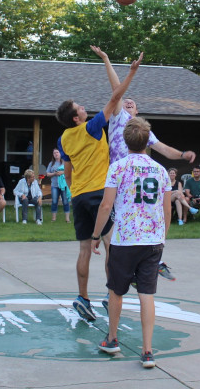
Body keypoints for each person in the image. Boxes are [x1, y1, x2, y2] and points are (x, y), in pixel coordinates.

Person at [92, 45, 195, 281]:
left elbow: (163, 149)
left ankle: (151, 261)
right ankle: (125, 278)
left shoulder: (142, 131)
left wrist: (182, 154)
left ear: (138, 111)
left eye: (132, 102)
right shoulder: (119, 117)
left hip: (134, 182)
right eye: (125, 100)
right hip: (118, 179)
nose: (128, 102)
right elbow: (116, 90)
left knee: (135, 229)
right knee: (115, 240)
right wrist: (107, 59)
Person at [55, 50, 142, 322]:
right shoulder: (91, 127)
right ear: (76, 118)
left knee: (83, 249)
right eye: (79, 107)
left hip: (78, 196)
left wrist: (73, 189)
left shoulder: (64, 140)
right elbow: (116, 97)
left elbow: (68, 173)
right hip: (97, 194)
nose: (83, 107)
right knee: (109, 244)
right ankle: (109, 295)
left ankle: (82, 298)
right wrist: (131, 72)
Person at [91, 117, 171, 369]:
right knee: (147, 294)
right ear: (148, 142)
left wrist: (96, 236)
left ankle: (112, 338)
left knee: (116, 290)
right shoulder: (160, 171)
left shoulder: (117, 167)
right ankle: (147, 351)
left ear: (125, 142)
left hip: (125, 239)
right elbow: (166, 208)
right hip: (152, 240)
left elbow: (106, 205)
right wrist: (163, 235)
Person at [46, 149, 70, 223]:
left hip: (64, 185)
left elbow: (70, 171)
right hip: (54, 185)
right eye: (54, 153)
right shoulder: (51, 163)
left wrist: (62, 172)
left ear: (60, 153)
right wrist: (54, 174)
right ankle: (53, 218)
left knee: (65, 202)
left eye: (57, 152)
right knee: (54, 201)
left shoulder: (65, 162)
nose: (56, 154)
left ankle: (67, 219)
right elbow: (47, 174)